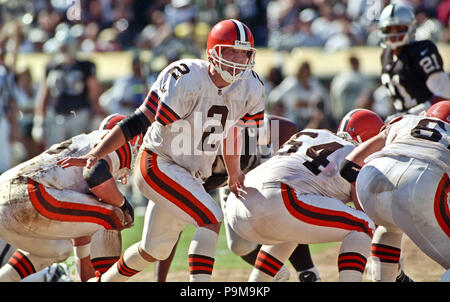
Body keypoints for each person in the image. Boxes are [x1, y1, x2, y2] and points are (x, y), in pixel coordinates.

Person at [57, 19, 265, 282]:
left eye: (244, 52)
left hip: (190, 174)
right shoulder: (187, 77)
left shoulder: (251, 86)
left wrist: (234, 172)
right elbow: (140, 119)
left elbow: (232, 130)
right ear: (213, 51)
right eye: (231, 51)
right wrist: (96, 154)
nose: (238, 58)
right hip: (159, 163)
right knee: (211, 217)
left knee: (153, 249)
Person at [154, 115, 321, 282]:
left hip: (260, 168)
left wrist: (278, 163)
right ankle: (275, 271)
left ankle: (308, 273)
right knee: (240, 245)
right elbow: (169, 226)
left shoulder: (241, 131)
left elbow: (287, 128)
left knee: (281, 210)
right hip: (233, 182)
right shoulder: (181, 168)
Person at [225, 109, 384, 282]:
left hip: (238, 201)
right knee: (364, 224)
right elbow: (364, 207)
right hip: (278, 198)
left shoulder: (314, 133)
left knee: (293, 231)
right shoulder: (356, 154)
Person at [0, 114, 140, 281]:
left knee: (60, 248)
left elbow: (80, 242)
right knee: (114, 213)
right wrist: (123, 204)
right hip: (28, 195)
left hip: (11, 196)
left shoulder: (85, 145)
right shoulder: (112, 142)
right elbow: (95, 173)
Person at [345, 101, 450, 281]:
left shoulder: (404, 120)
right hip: (420, 181)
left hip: (371, 175)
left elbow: (348, 166)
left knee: (389, 227)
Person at [377, 3, 450, 121]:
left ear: (411, 27)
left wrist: (410, 114)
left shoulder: (422, 51)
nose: (394, 34)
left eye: (400, 29)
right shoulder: (386, 55)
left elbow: (444, 95)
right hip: (404, 122)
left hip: (431, 120)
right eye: (389, 29)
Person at [32, 37, 106, 148]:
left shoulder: (85, 66)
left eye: (65, 47)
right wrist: (39, 121)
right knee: (54, 153)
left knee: (78, 151)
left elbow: (94, 92)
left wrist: (96, 113)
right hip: (57, 116)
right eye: (62, 47)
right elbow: (44, 93)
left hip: (79, 115)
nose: (63, 50)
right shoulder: (52, 66)